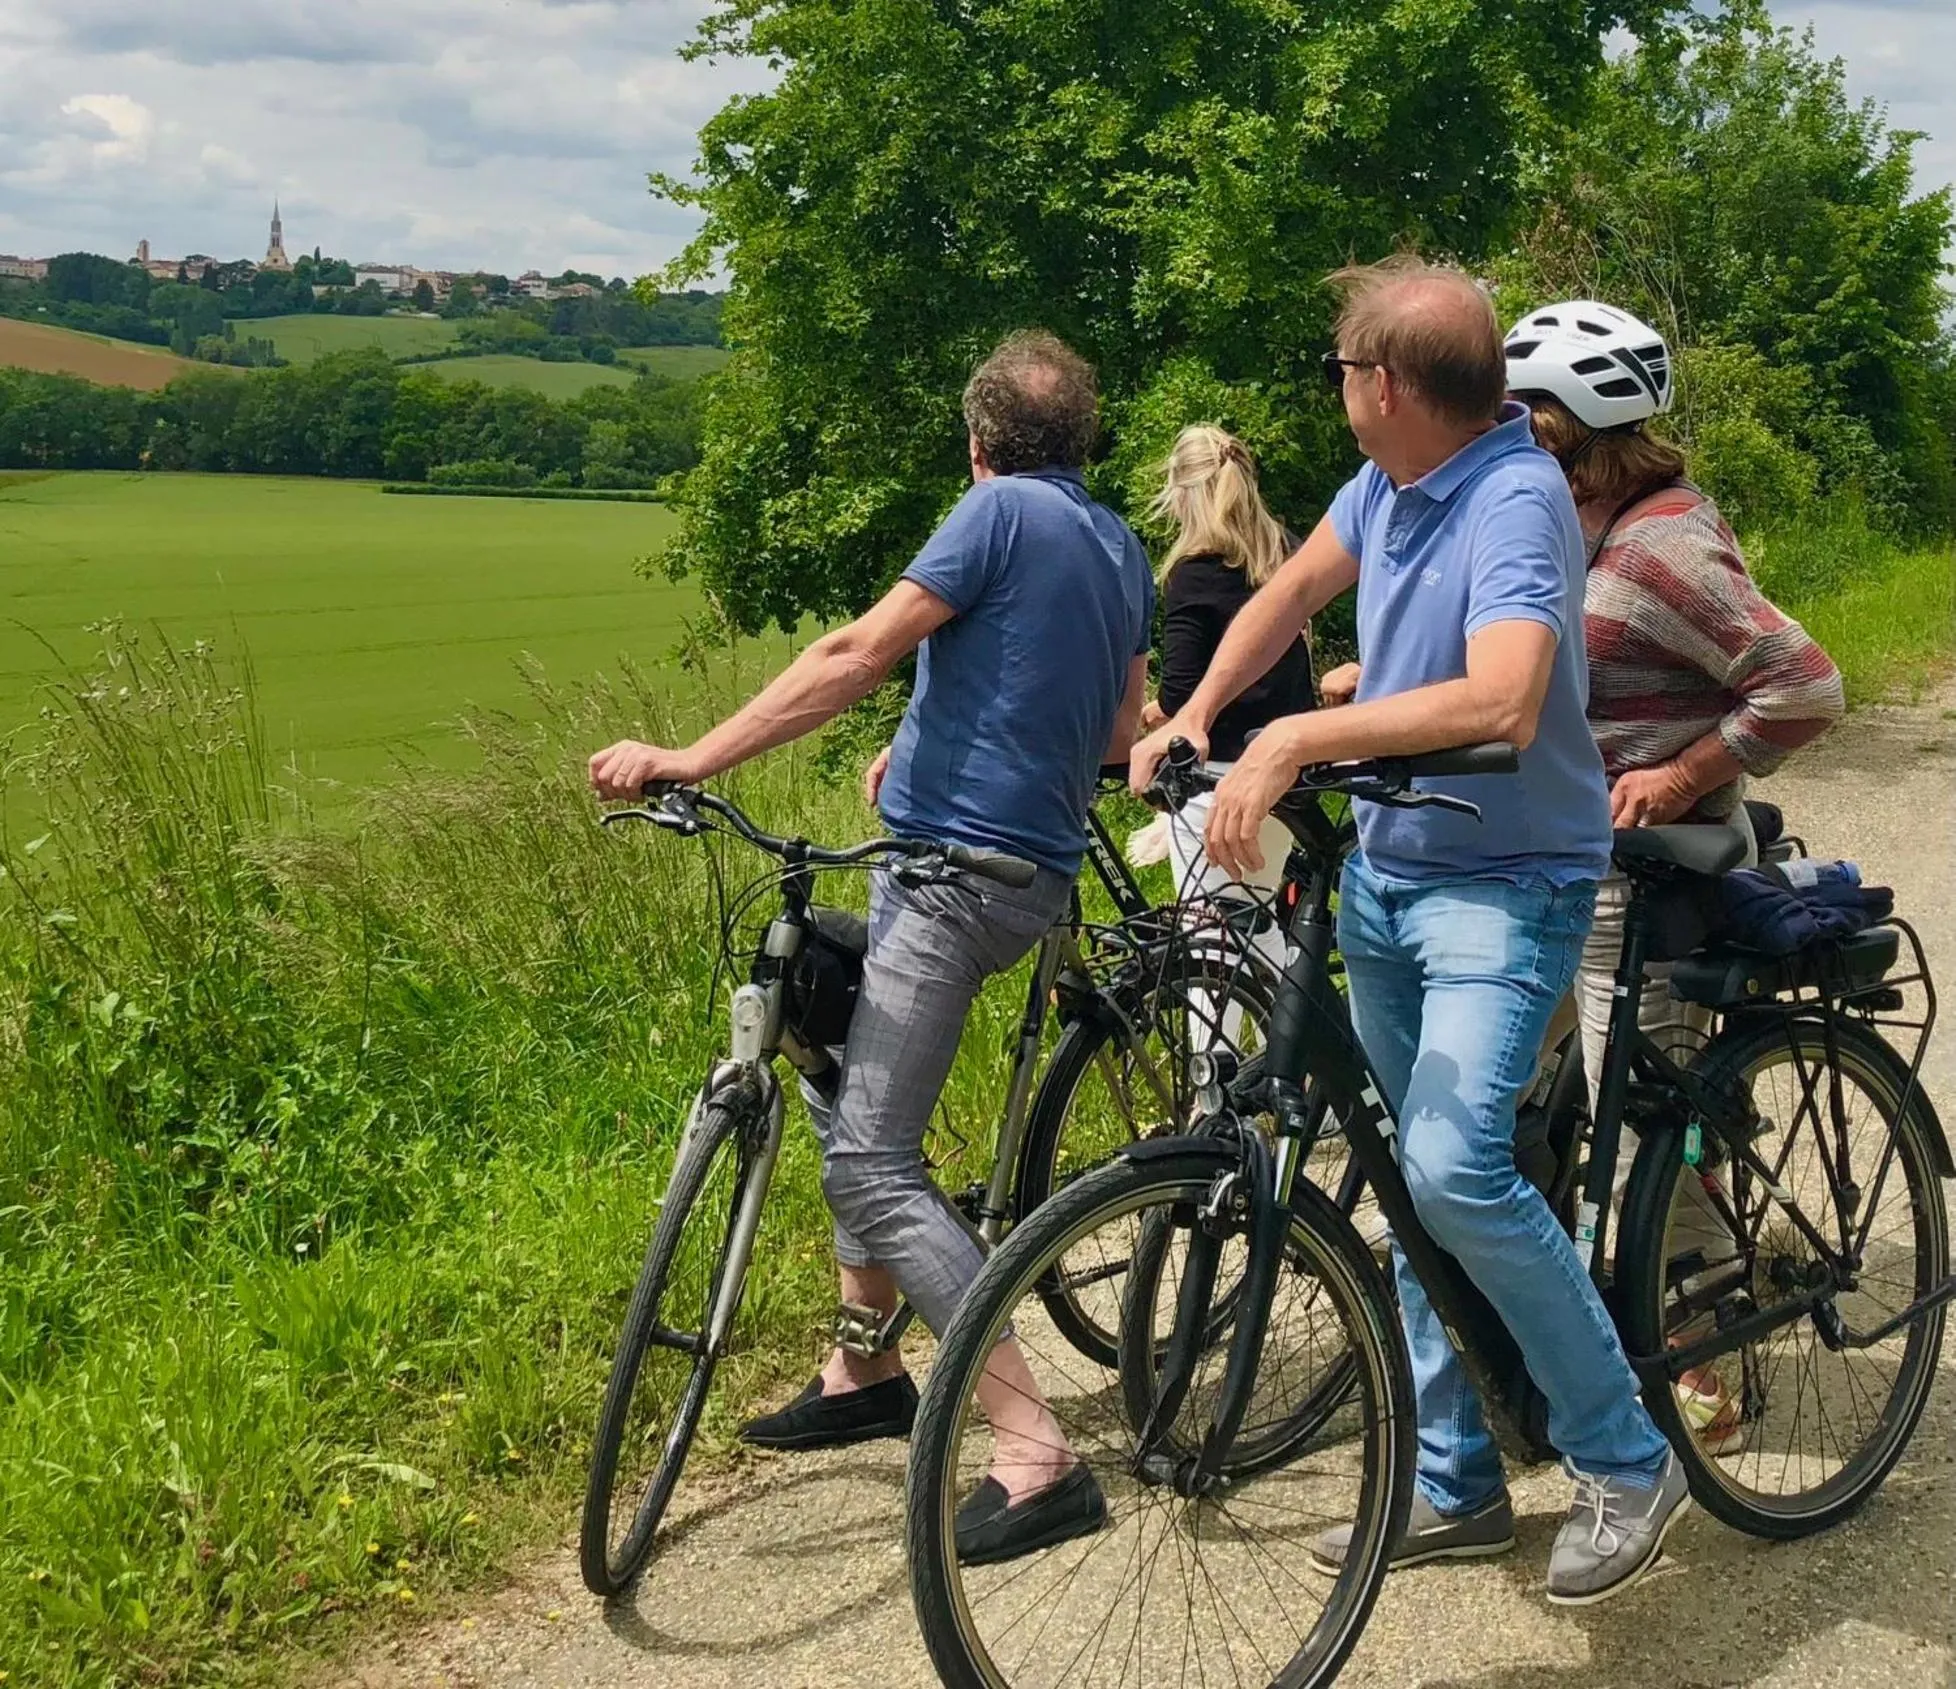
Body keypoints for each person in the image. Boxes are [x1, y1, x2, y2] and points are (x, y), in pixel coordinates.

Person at [1131, 256, 1690, 1605]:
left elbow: (1503, 702)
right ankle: (1454, 1478)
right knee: (1395, 1172)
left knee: (1451, 1167)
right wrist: (1201, 713)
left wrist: (1305, 734)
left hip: (1508, 885)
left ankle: (1627, 1457)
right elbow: (1289, 595)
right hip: (1391, 875)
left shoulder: (1512, 502)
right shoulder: (1388, 484)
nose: (1335, 389)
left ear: (1383, 384)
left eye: (1340, 368)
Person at [591, 330, 1152, 1564]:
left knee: (871, 1167)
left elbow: (857, 652)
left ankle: (1031, 1451)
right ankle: (865, 1371)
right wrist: (946, 750)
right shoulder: (1117, 545)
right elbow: (1114, 725)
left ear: (979, 446)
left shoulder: (997, 515)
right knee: (820, 1015)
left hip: (952, 884)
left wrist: (689, 758)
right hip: (1014, 873)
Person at [1505, 298, 1846, 1448]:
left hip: (1645, 876)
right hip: (1558, 862)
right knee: (1527, 1101)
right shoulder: (1580, 526)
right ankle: (1569, 1336)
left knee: (1640, 1120)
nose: (1508, 433)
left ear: (1566, 428)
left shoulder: (1660, 543)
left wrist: (1685, 768)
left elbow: (1804, 684)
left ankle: (1700, 1366)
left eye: (1523, 415)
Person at [1138, 425, 1317, 975]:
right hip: (1288, 776)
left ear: (1183, 494)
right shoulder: (1285, 554)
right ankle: (1280, 1054)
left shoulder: (1193, 572)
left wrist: (1150, 716)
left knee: (1209, 945)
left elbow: (1182, 695)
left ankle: (1213, 1061)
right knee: (1259, 925)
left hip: (1215, 780)